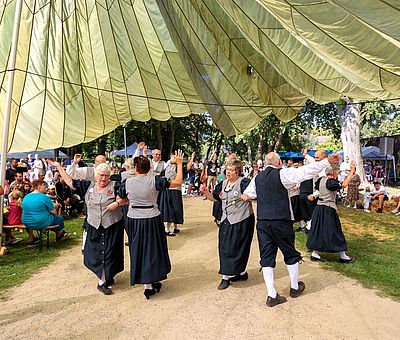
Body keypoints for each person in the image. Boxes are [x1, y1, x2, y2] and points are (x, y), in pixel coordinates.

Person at [241, 151, 339, 307]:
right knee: (289, 252)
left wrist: (257, 197)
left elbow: (247, 195)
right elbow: (304, 172)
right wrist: (326, 162)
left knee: (267, 256)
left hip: (263, 222)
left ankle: (271, 294)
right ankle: (294, 287)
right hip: (281, 220)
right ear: (279, 163)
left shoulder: (257, 178)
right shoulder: (283, 174)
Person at [118, 151, 183, 300]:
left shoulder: (127, 182)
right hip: (152, 217)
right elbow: (178, 182)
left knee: (138, 249)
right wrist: (179, 163)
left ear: (135, 167)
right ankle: (153, 280)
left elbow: (120, 197)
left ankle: (147, 284)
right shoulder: (155, 180)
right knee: (154, 249)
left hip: (134, 218)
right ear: (149, 168)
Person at [52, 161, 124, 295]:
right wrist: (58, 167)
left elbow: (128, 197)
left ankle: (106, 277)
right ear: (96, 176)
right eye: (101, 175)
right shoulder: (88, 186)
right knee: (96, 253)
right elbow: (70, 182)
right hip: (94, 225)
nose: (103, 178)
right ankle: (101, 281)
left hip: (112, 225)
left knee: (110, 252)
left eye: (106, 176)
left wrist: (117, 203)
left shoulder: (116, 186)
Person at [202, 159, 255, 290]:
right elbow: (215, 199)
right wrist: (206, 193)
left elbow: (255, 194)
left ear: (237, 172)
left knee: (240, 246)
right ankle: (226, 276)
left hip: (242, 219)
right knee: (225, 246)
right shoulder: (223, 183)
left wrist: (248, 196)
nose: (228, 172)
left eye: (231, 170)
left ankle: (241, 272)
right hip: (227, 219)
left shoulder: (244, 182)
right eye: (227, 170)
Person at [306, 162, 356, 263]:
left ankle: (315, 253)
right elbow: (344, 185)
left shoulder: (321, 180)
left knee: (318, 230)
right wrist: (351, 172)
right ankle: (343, 255)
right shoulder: (331, 182)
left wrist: (314, 196)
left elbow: (319, 191)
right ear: (334, 173)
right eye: (337, 172)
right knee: (335, 230)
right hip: (327, 209)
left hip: (319, 208)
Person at [22, 180, 68, 246]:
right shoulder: (44, 197)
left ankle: (31, 237)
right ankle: (59, 234)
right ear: (39, 187)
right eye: (44, 186)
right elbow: (54, 212)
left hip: (27, 222)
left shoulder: (26, 197)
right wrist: (56, 207)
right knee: (58, 218)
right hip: (40, 222)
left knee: (50, 218)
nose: (45, 187)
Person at [159, 153, 185, 236]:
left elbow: (187, 168)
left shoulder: (179, 168)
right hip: (168, 191)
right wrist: (171, 160)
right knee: (170, 210)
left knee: (176, 209)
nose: (175, 159)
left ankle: (176, 227)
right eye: (173, 157)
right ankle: (166, 229)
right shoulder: (166, 166)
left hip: (176, 191)